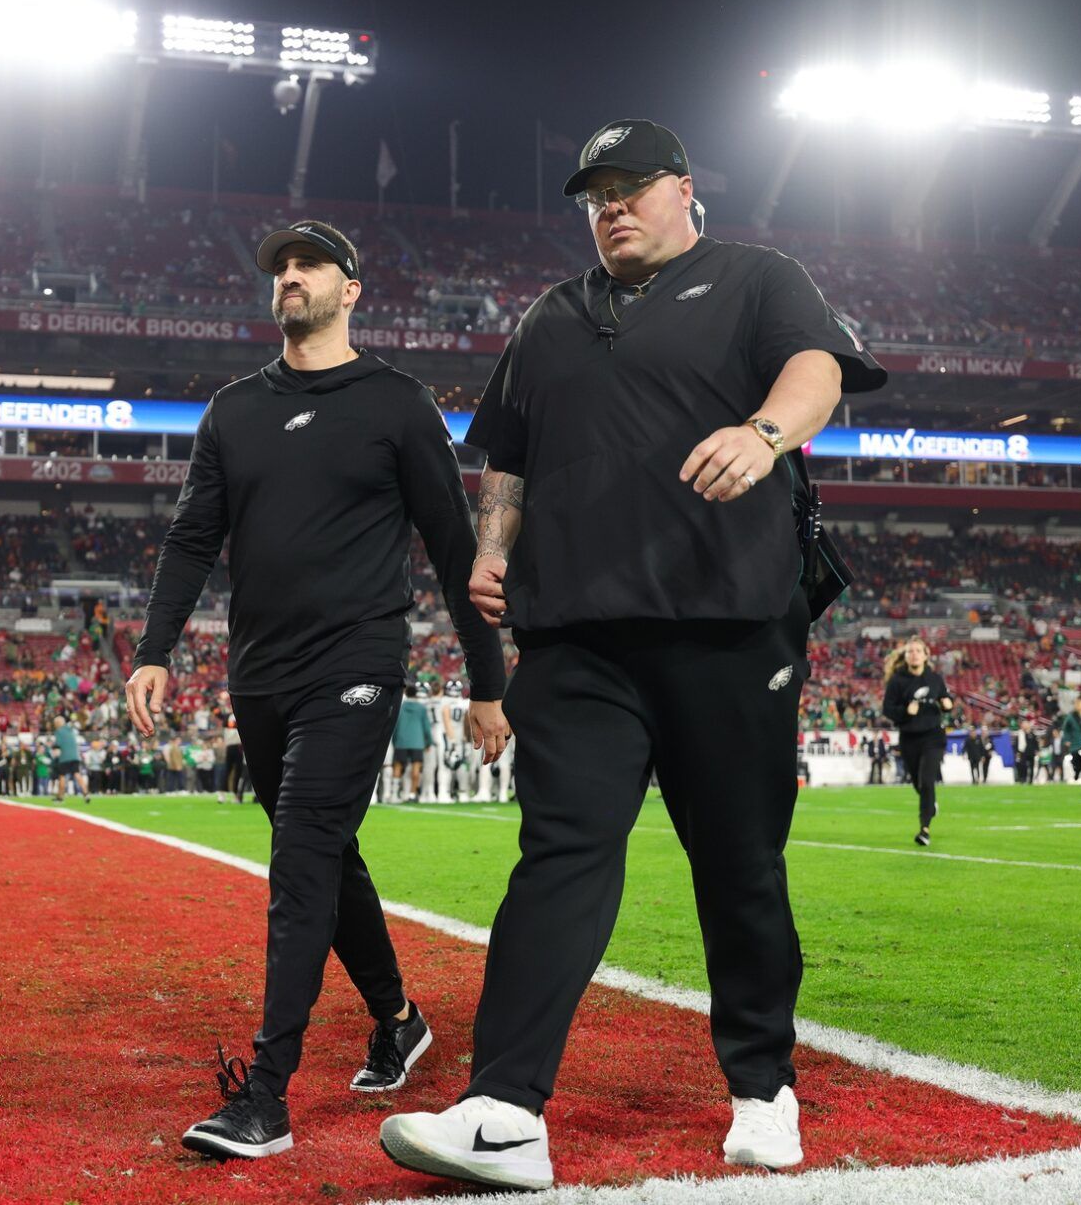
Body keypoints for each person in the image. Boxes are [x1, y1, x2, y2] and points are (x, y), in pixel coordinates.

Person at [382, 120, 884, 1190]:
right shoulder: (549, 317)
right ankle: (506, 1107)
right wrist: (494, 546)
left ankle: (763, 1088)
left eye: (630, 185)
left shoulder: (757, 277)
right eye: (593, 193)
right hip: (575, 639)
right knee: (558, 852)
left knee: (740, 864)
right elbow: (506, 455)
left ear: (684, 190)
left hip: (727, 627)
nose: (610, 206)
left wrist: (765, 433)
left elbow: (816, 370)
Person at [128, 219, 509, 1161]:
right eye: (280, 267)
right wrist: (154, 649)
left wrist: (488, 682)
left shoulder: (398, 403)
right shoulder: (232, 409)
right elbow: (189, 540)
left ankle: (265, 1093)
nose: (289, 277)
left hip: (357, 665)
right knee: (327, 857)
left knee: (300, 856)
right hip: (259, 673)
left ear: (352, 288)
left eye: (309, 265)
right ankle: (398, 1016)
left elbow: (456, 553)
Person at [882, 637, 953, 845]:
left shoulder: (935, 679)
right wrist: (905, 711)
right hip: (909, 738)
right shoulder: (897, 680)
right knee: (918, 783)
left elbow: (946, 699)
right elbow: (887, 710)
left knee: (927, 779)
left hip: (933, 736)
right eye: (910, 651)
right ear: (905, 656)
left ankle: (924, 829)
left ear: (925, 655)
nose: (914, 654)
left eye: (917, 651)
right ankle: (930, 804)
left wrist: (948, 704)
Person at [386, 682, 433, 805]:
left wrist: (395, 740)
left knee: (397, 767)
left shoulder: (400, 707)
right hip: (418, 742)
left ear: (406, 693)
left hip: (401, 741)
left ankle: (394, 794)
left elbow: (395, 726)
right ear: (416, 694)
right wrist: (428, 742)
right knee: (416, 769)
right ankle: (412, 794)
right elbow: (426, 727)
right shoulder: (421, 708)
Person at [53, 715, 88, 804]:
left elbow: (58, 745)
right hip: (75, 756)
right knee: (77, 774)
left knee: (62, 776)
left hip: (65, 757)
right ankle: (86, 794)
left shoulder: (58, 731)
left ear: (58, 723)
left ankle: (60, 797)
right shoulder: (70, 729)